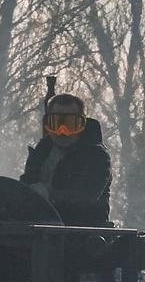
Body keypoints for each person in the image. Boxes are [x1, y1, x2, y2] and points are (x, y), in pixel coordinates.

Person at [20, 92, 112, 226]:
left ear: (82, 125)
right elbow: (24, 186)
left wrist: (46, 194)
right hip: (40, 232)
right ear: (48, 124)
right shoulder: (40, 153)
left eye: (70, 124)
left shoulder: (96, 157)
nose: (62, 131)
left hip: (82, 235)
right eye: (56, 123)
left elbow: (84, 197)